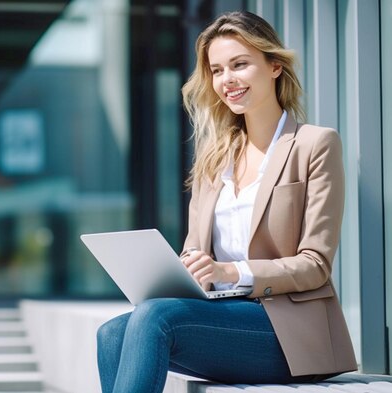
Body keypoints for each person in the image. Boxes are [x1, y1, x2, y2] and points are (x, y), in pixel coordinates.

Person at [96, 11, 357, 392]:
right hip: (221, 318)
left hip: (288, 333)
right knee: (110, 333)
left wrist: (230, 272)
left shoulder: (314, 144)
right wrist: (188, 268)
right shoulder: (213, 159)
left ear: (274, 66)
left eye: (239, 65)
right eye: (217, 70)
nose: (227, 80)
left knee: (154, 317)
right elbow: (195, 252)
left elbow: (314, 265)